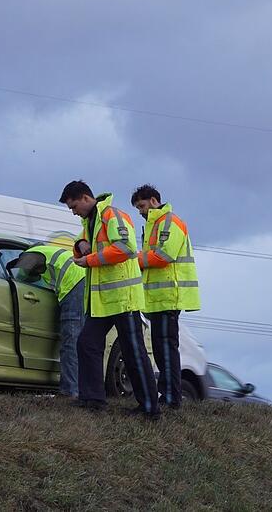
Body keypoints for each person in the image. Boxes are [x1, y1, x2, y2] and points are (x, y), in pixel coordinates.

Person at [59, 180, 161, 420]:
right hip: (103, 301)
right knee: (87, 343)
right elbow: (82, 245)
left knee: (133, 351)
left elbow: (125, 248)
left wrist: (91, 259)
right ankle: (92, 399)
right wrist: (79, 245)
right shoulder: (90, 220)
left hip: (123, 298)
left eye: (74, 206)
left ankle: (150, 407)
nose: (73, 212)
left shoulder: (112, 215)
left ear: (85, 198)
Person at [131, 184, 200, 409]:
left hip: (169, 295)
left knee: (166, 348)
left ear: (153, 200)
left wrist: (136, 260)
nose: (140, 211)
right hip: (158, 297)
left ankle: (172, 397)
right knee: (161, 348)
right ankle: (168, 394)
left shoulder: (169, 222)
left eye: (141, 206)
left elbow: (164, 255)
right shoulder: (154, 225)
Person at [10, 244, 85, 398]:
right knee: (77, 341)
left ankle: (70, 391)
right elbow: (37, 276)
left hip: (74, 286)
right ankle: (77, 389)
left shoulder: (32, 253)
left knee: (70, 342)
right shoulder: (50, 255)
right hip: (83, 281)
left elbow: (22, 275)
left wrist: (11, 275)